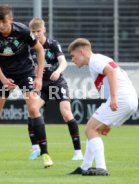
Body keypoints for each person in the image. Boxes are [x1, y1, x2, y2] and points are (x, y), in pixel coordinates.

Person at [0, 4, 53, 169]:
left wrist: (39, 77)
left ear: (10, 20)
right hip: (3, 75)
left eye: (4, 22)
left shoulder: (23, 31)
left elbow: (40, 51)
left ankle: (45, 154)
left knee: (33, 109)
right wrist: (4, 80)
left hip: (25, 73)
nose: (1, 26)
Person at [67, 38, 138, 176]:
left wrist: (114, 98)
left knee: (90, 129)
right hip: (130, 99)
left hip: (122, 98)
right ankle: (85, 166)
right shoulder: (98, 60)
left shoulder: (95, 60)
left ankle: (101, 167)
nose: (73, 60)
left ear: (81, 52)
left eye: (73, 56)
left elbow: (111, 72)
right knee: (94, 130)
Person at [27, 17, 83, 161]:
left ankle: (78, 152)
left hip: (57, 83)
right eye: (33, 32)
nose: (36, 34)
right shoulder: (30, 47)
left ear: (44, 29)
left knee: (66, 113)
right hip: (41, 85)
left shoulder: (53, 44)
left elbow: (63, 62)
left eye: (38, 31)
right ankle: (35, 148)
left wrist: (57, 71)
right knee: (32, 110)